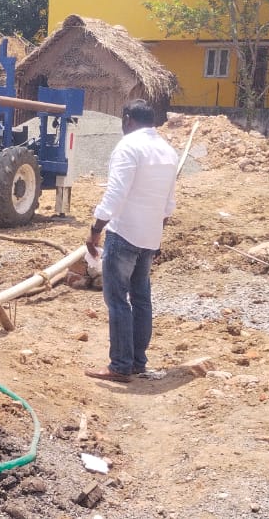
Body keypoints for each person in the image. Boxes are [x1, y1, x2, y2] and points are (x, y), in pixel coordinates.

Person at [83, 99, 178, 383]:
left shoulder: (128, 147)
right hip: (149, 236)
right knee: (141, 299)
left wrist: (96, 229)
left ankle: (120, 365)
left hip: (124, 233)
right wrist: (155, 232)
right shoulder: (168, 150)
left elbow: (115, 194)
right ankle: (137, 361)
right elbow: (168, 204)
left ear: (127, 119)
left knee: (117, 300)